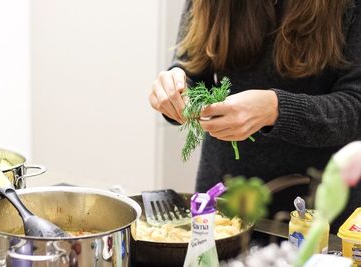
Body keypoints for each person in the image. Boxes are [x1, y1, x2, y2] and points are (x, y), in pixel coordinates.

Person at [148, 0, 361, 233]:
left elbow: (355, 105)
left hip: (319, 211)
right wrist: (176, 92)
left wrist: (276, 108)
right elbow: (194, 67)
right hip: (223, 203)